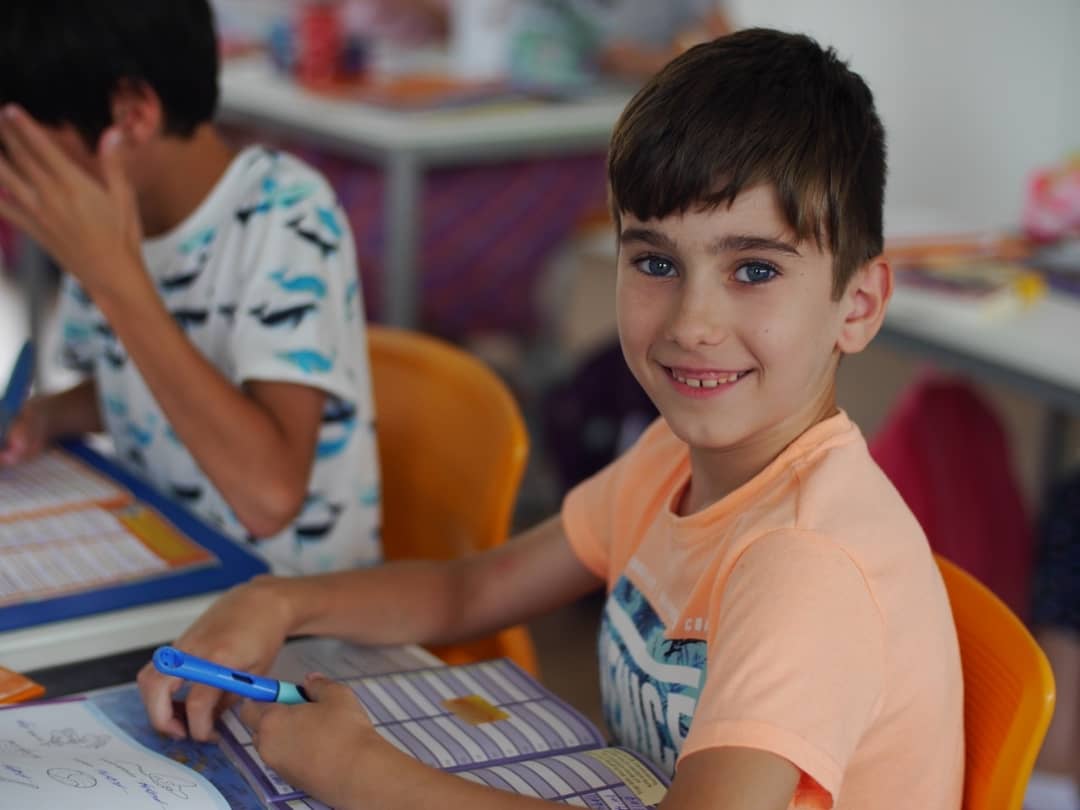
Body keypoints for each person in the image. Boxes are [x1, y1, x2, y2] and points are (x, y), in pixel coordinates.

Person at [138, 29, 964, 809]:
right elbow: (469, 591)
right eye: (655, 261)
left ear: (859, 304)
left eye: (753, 270)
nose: (692, 323)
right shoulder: (673, 457)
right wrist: (276, 603)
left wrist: (362, 774)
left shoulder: (806, 562)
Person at [0, 0, 381, 575]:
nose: (17, 181)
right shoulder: (108, 215)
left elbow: (269, 497)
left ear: (131, 115)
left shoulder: (287, 214)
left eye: (23, 153)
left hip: (297, 607)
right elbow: (129, 388)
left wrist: (115, 278)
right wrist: (44, 417)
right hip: (173, 568)